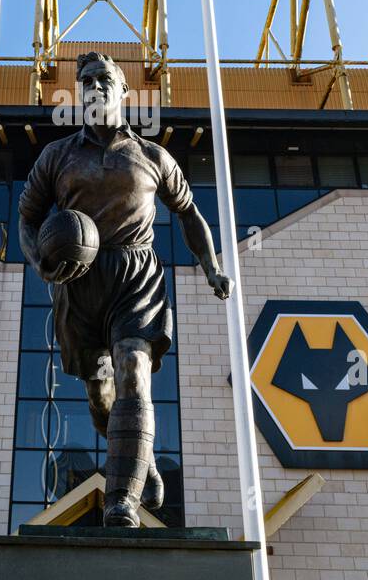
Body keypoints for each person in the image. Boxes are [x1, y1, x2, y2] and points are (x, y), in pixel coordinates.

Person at [18, 51, 232, 528]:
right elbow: (27, 218)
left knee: (133, 369)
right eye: (86, 81)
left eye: (103, 79)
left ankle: (122, 499)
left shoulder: (153, 156)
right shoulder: (57, 155)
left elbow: (189, 214)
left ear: (124, 91)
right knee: (101, 398)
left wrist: (212, 267)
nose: (94, 86)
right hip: (78, 282)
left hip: (136, 276)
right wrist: (41, 263)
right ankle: (143, 456)